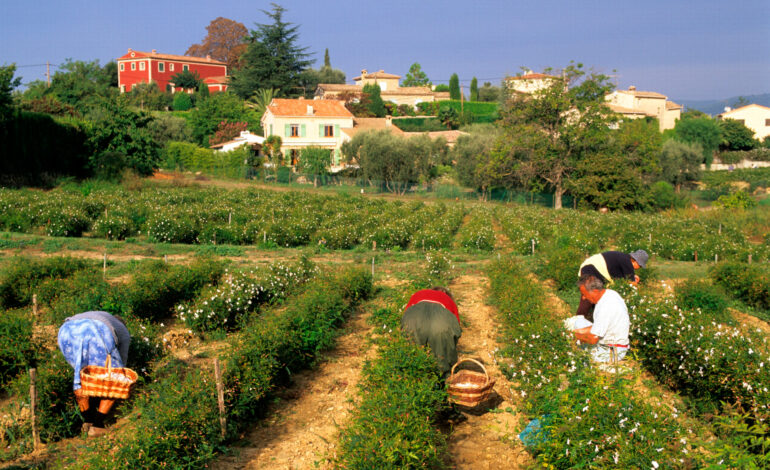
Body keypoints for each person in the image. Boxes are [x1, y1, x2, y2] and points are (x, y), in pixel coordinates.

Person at [57, 311, 131, 437]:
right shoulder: (123, 331)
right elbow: (120, 370)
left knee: (80, 376)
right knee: (116, 380)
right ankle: (98, 424)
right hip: (95, 329)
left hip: (66, 330)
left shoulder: (103, 316)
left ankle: (87, 421)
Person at [566, 275, 630, 363]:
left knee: (575, 355)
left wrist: (571, 336)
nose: (583, 298)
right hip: (611, 344)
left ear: (595, 291)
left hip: (611, 351)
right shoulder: (609, 294)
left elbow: (593, 338)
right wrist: (576, 332)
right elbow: (596, 328)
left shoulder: (606, 306)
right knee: (578, 321)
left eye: (584, 294)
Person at [401, 287, 461, 376]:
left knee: (412, 352)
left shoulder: (418, 294)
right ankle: (442, 380)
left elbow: (406, 315)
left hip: (413, 319)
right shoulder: (448, 300)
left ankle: (412, 378)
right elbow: (455, 328)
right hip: (441, 322)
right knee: (442, 355)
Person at [576, 249, 647, 322]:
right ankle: (578, 323)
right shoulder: (628, 262)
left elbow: (621, 278)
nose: (639, 268)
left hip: (591, 268)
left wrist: (633, 278)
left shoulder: (624, 259)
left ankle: (592, 323)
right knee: (588, 297)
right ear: (636, 261)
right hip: (591, 269)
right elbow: (631, 284)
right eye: (640, 266)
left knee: (597, 299)